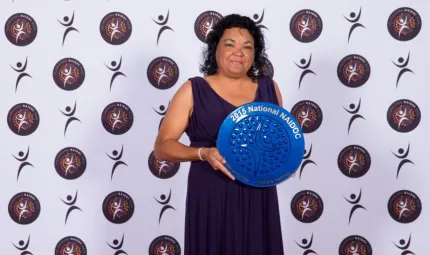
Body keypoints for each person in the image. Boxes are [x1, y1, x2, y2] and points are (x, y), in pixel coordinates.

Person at [154, 13, 291, 255]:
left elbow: (281, 142)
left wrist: (283, 162)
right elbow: (163, 147)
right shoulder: (193, 89)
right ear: (215, 49)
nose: (239, 52)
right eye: (230, 44)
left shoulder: (269, 88)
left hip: (258, 194)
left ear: (255, 54)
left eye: (247, 47)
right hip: (211, 193)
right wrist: (202, 153)